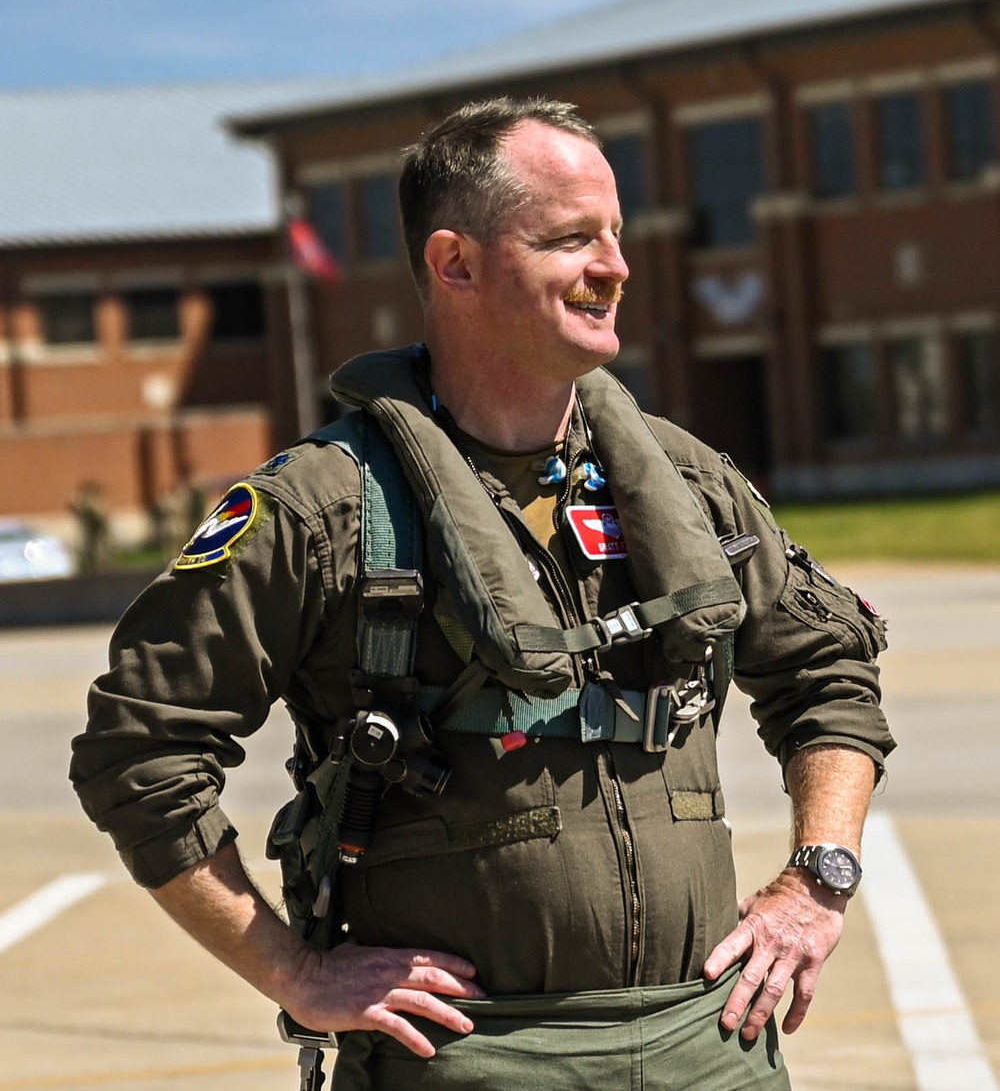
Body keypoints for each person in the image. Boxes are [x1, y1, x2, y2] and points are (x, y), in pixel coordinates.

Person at [71, 97, 894, 1089]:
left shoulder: (685, 481)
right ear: (455, 264)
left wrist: (820, 877)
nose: (615, 267)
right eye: (570, 239)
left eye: (615, 234)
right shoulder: (324, 507)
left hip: (708, 1045)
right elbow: (140, 750)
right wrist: (292, 972)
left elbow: (828, 667)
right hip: (473, 1059)